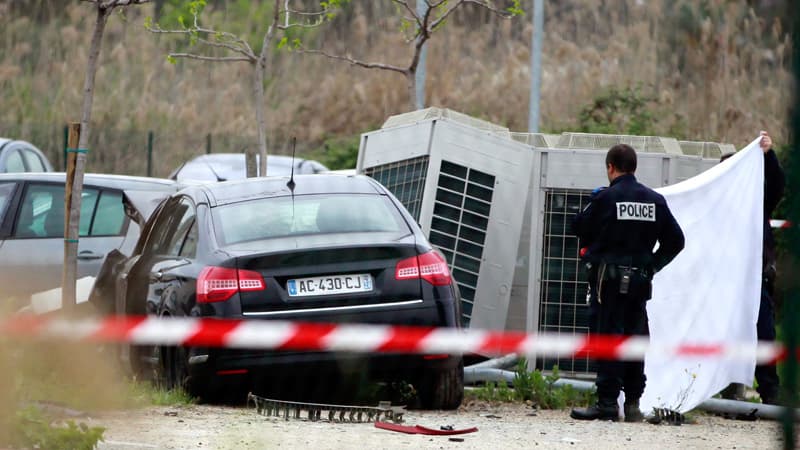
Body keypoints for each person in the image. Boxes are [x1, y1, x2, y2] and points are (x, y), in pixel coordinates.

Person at [570, 144, 685, 422]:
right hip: (639, 285)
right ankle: (633, 404)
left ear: (611, 167)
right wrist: (652, 266)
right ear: (634, 167)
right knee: (635, 340)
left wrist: (591, 207)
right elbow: (676, 241)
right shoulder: (654, 200)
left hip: (607, 284)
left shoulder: (606, 199)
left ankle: (608, 404)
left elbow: (578, 228)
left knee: (608, 339)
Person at [718, 131, 785, 404]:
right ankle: (730, 394)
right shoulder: (717, 208)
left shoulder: (758, 203)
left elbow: (778, 185)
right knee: (728, 338)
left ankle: (770, 393)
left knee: (764, 336)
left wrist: (768, 156)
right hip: (725, 284)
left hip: (756, 283)